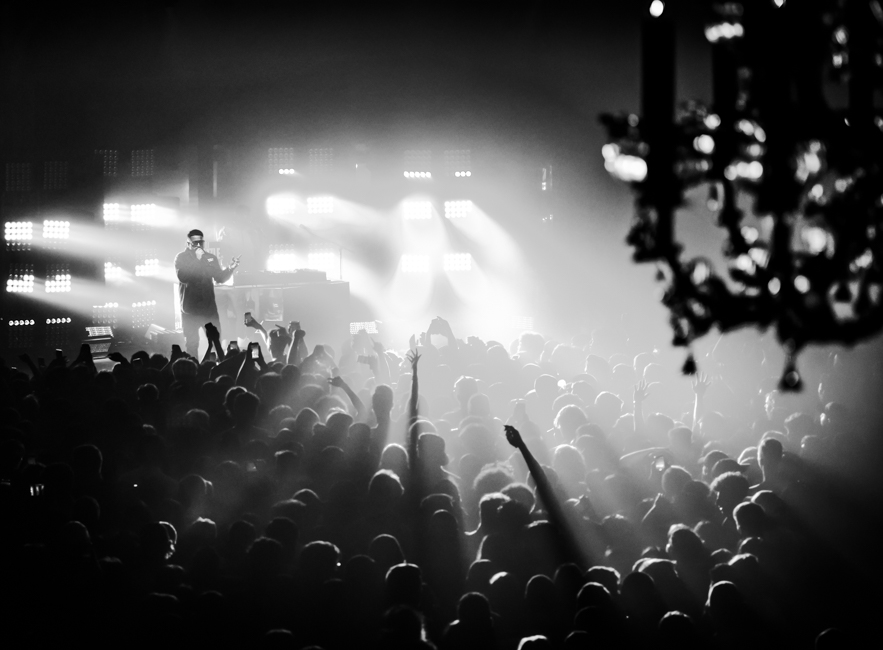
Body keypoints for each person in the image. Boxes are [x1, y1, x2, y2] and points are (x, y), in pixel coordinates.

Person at [174, 229, 240, 356]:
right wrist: (197, 260)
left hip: (208, 309)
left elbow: (220, 277)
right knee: (192, 344)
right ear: (188, 243)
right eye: (195, 243)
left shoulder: (210, 258)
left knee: (215, 342)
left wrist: (231, 268)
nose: (198, 245)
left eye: (201, 242)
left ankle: (213, 370)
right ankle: (194, 372)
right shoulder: (180, 258)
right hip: (190, 310)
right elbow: (183, 277)